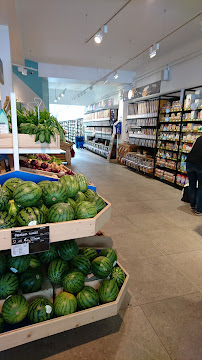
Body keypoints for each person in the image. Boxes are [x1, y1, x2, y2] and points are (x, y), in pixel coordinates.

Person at [186, 135, 202, 215]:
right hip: (200, 164)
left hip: (189, 162)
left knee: (192, 185)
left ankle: (192, 205)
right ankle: (199, 209)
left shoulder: (199, 138)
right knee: (201, 187)